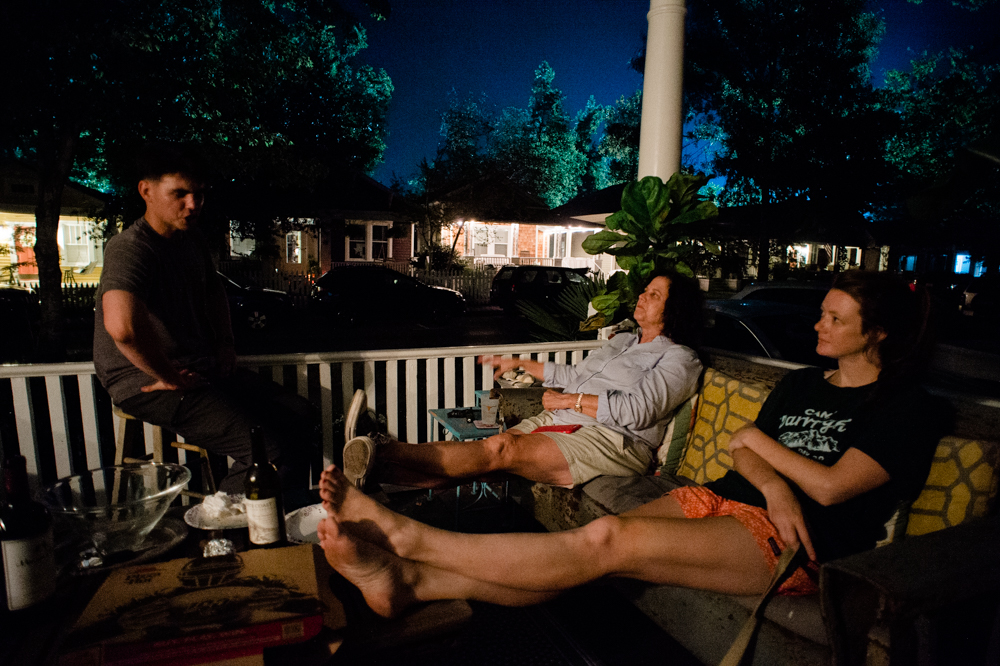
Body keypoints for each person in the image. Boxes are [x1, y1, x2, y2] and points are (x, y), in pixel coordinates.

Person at [316, 270, 947, 617]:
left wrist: (760, 451)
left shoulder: (905, 409)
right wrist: (773, 473)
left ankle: (406, 539)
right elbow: (742, 448)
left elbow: (833, 486)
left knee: (601, 540)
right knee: (579, 553)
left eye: (835, 319)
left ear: (881, 336)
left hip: (799, 540)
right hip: (725, 499)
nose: (817, 324)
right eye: (823, 312)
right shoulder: (807, 383)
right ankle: (411, 582)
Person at [93, 142, 319, 502]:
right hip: (145, 380)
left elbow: (214, 293)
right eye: (179, 194)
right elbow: (121, 327)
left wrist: (225, 343)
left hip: (197, 367)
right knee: (270, 453)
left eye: (199, 194)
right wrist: (167, 376)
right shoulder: (131, 247)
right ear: (146, 190)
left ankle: (287, 519)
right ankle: (217, 534)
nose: (193, 205)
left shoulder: (191, 241)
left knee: (299, 414)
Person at [342, 270, 704, 490]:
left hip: (612, 440)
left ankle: (380, 446)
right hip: (566, 421)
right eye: (645, 290)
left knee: (501, 450)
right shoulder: (623, 340)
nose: (642, 296)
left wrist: (567, 401)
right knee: (487, 459)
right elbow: (577, 376)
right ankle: (381, 472)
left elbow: (638, 410)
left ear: (673, 310)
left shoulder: (680, 358)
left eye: (654, 295)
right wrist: (521, 364)